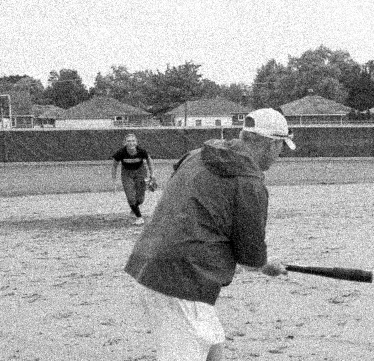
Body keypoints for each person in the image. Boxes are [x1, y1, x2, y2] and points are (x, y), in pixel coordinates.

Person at [125, 108, 296, 361]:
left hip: (152, 262)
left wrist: (259, 261)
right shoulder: (249, 182)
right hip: (182, 282)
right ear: (271, 144)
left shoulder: (197, 155)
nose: (279, 154)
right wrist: (263, 263)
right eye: (281, 146)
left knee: (213, 348)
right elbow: (250, 256)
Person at [112, 133, 155, 225]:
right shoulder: (121, 152)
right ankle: (139, 217)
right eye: (128, 141)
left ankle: (134, 208)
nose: (131, 143)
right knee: (130, 198)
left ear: (136, 142)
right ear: (125, 143)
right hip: (126, 174)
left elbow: (149, 161)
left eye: (133, 141)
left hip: (140, 172)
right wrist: (114, 180)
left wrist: (152, 174)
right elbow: (114, 166)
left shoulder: (141, 151)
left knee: (140, 199)